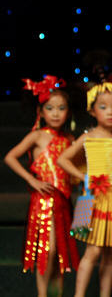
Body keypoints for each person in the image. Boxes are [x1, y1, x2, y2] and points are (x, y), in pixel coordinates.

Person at [56, 81, 112, 297]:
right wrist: (84, 177)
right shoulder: (88, 137)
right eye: (103, 107)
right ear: (92, 110)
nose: (110, 112)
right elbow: (63, 159)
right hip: (92, 197)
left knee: (110, 252)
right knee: (93, 250)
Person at [4, 75, 79, 296]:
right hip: (44, 200)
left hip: (64, 201)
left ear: (68, 111)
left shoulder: (69, 139)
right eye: (50, 108)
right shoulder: (37, 136)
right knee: (47, 249)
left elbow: (73, 171)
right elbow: (10, 157)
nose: (55, 113)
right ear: (41, 111)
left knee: (60, 254)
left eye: (61, 108)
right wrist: (31, 180)